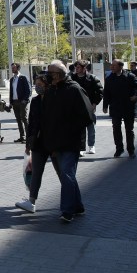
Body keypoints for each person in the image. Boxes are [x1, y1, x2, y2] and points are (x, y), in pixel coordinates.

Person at [41, 60, 93, 222]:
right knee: (67, 175)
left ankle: (67, 211)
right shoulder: (51, 91)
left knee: (66, 174)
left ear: (60, 74)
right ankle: (78, 206)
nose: (48, 77)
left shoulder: (75, 89)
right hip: (55, 141)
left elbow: (88, 116)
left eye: (51, 74)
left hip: (71, 141)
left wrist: (69, 129)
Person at [15, 74, 51, 213]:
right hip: (38, 142)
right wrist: (29, 143)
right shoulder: (35, 101)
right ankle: (31, 201)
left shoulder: (54, 98)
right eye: (36, 84)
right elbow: (31, 123)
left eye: (40, 84)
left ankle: (74, 201)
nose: (37, 87)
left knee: (63, 173)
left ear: (47, 85)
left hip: (52, 142)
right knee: (36, 172)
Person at [102, 59, 137, 158]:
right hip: (115, 107)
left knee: (129, 130)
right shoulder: (109, 79)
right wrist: (105, 106)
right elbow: (106, 93)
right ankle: (119, 149)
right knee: (116, 128)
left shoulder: (129, 76)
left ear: (121, 67)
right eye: (111, 66)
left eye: (114, 65)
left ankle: (131, 150)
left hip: (128, 107)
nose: (111, 67)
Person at [69, 60, 102, 155]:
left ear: (84, 68)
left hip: (89, 106)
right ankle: (81, 148)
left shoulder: (92, 78)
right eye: (76, 67)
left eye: (78, 67)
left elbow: (100, 92)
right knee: (80, 128)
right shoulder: (72, 78)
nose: (77, 69)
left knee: (91, 127)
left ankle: (91, 146)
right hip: (76, 107)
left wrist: (95, 103)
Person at [8, 63, 32, 144]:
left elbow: (28, 90)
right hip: (15, 102)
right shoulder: (12, 79)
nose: (12, 69)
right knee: (18, 120)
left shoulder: (23, 78)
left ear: (18, 68)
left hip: (22, 101)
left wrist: (25, 100)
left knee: (24, 119)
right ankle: (22, 136)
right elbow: (11, 91)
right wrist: (11, 102)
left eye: (14, 68)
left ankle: (29, 137)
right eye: (12, 68)